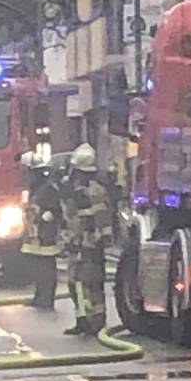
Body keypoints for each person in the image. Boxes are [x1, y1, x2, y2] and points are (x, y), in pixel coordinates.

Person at [62, 144, 115, 336]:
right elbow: (70, 218)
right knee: (75, 283)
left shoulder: (95, 191)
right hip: (76, 244)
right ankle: (82, 320)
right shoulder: (76, 191)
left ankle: (97, 322)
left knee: (92, 284)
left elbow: (102, 221)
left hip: (90, 245)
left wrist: (97, 243)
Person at [20, 147, 65, 309]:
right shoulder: (36, 189)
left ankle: (46, 299)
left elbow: (57, 210)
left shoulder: (48, 189)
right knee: (39, 268)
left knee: (46, 269)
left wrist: (48, 217)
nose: (26, 176)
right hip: (36, 236)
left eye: (27, 173)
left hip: (46, 235)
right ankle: (39, 297)